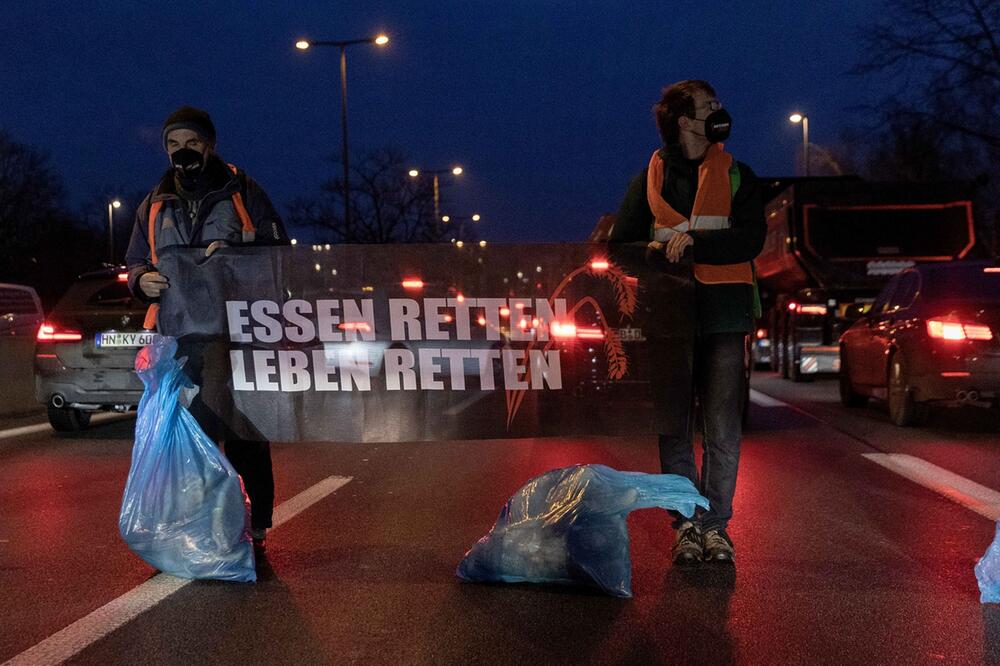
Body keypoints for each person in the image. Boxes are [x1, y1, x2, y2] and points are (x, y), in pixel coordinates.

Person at [609, 80, 766, 564]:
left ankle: (716, 527)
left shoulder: (740, 176)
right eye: (709, 106)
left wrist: (696, 242)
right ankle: (687, 525)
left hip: (723, 315)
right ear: (684, 122)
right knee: (674, 426)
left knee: (722, 426)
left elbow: (750, 240)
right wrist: (653, 251)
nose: (720, 111)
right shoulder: (650, 179)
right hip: (671, 318)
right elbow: (620, 246)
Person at [125, 106, 289, 548]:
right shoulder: (154, 202)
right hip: (178, 336)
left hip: (237, 333)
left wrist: (234, 252)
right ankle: (198, 525)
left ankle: (255, 524)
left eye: (191, 143)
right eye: (173, 144)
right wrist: (142, 280)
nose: (182, 152)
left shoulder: (243, 190)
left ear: (209, 145)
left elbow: (279, 250)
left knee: (242, 429)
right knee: (187, 433)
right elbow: (135, 260)